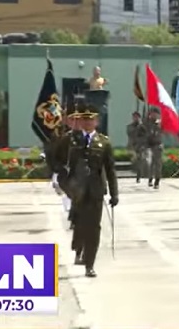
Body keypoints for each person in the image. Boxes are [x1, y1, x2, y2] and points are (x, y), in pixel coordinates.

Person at [54, 103, 118, 277]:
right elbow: (56, 161)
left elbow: (110, 169)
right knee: (80, 224)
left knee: (94, 228)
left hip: (96, 191)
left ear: (96, 122)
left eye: (91, 120)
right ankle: (78, 251)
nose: (88, 123)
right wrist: (65, 182)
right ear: (80, 121)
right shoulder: (70, 140)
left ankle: (90, 264)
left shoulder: (104, 142)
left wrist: (114, 193)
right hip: (78, 191)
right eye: (84, 119)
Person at [145, 107, 163, 189]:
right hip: (148, 146)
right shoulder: (147, 123)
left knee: (157, 164)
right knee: (150, 164)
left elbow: (161, 133)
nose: (153, 115)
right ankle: (150, 179)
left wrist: (157, 125)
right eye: (152, 113)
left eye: (155, 114)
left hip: (157, 145)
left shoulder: (159, 124)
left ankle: (157, 181)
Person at [126, 111, 146, 184]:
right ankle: (137, 172)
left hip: (140, 146)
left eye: (137, 117)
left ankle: (139, 176)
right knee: (135, 161)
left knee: (139, 160)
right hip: (132, 146)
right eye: (134, 117)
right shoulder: (130, 126)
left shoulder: (142, 126)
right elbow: (130, 133)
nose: (135, 118)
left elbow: (145, 135)